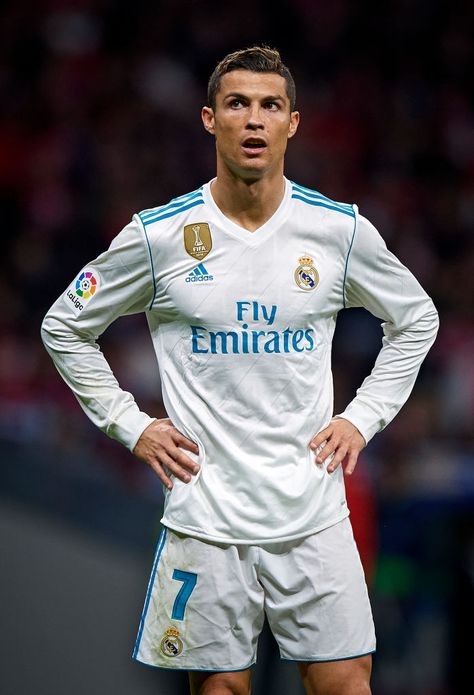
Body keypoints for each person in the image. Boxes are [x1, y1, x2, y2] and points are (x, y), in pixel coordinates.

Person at [41, 46, 439, 695]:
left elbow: (416, 317)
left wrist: (362, 418)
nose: (254, 119)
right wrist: (130, 425)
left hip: (311, 505)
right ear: (209, 119)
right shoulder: (159, 237)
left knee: (345, 681)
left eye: (270, 105)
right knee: (222, 688)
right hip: (208, 514)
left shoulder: (337, 230)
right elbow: (64, 325)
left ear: (292, 123)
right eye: (237, 104)